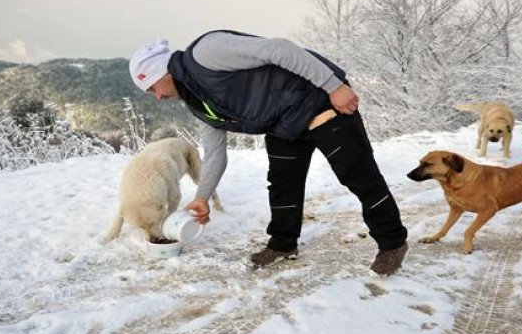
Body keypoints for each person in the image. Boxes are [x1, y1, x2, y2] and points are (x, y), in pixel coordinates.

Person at [128, 30, 408, 275]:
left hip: (319, 102)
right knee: (283, 185)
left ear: (162, 71)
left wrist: (334, 86)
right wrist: (202, 198)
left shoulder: (206, 52)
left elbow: (279, 49)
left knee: (358, 176)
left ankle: (392, 242)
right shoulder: (198, 104)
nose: (157, 96)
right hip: (284, 124)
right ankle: (282, 245)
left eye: (152, 86)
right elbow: (214, 154)